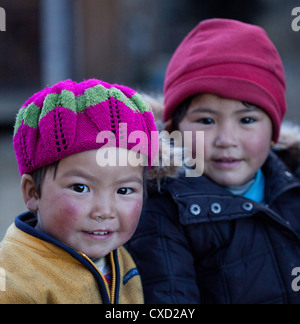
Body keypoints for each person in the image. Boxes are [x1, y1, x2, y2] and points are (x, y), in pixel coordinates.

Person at [126, 18, 300, 304]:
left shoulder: (293, 189)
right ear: (174, 129)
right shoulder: (162, 211)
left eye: (247, 120)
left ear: (274, 132)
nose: (226, 139)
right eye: (206, 120)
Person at [0, 78, 158, 304]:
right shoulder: (13, 280)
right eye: (81, 188)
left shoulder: (121, 256)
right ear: (33, 192)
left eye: (124, 190)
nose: (104, 211)